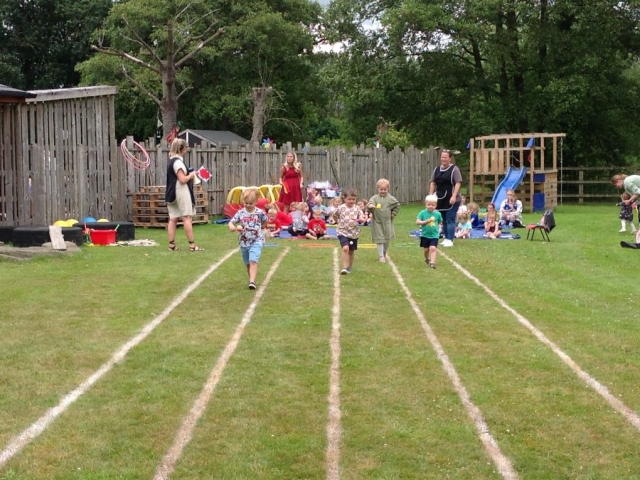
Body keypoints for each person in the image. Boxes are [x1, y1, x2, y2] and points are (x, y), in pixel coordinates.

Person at [165, 138, 202, 251]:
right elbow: (182, 179)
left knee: (173, 218)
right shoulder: (177, 162)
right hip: (180, 191)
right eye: (185, 148)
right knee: (187, 217)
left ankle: (171, 245)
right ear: (181, 149)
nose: (186, 150)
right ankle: (192, 245)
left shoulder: (171, 160)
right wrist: (192, 175)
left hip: (171, 192)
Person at [228, 188, 268, 290]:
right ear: (243, 201)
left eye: (251, 203)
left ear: (256, 202)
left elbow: (265, 221)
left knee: (253, 260)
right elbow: (231, 222)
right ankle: (251, 278)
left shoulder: (260, 212)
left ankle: (252, 282)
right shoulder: (241, 212)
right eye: (246, 203)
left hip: (257, 240)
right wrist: (232, 226)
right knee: (247, 263)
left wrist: (260, 229)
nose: (248, 205)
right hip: (244, 242)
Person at [429, 149, 462, 247]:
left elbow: (458, 183)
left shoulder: (454, 169)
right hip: (440, 198)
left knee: (450, 218)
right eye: (442, 157)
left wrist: (454, 196)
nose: (443, 159)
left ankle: (450, 239)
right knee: (443, 219)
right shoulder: (436, 169)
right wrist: (431, 195)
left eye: (445, 157)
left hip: (452, 198)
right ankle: (446, 237)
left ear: (450, 159)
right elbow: (433, 182)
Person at [367, 178, 400, 262]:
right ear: (378, 189)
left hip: (387, 221)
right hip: (377, 221)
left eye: (385, 189)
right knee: (379, 238)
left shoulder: (390, 198)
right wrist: (370, 206)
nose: (383, 191)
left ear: (388, 189)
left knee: (386, 238)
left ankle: (384, 252)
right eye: (381, 189)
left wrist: (393, 214)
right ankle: (381, 255)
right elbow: (369, 204)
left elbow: (397, 205)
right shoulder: (374, 198)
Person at [332, 188, 363, 275]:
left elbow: (362, 217)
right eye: (349, 199)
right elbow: (334, 215)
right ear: (344, 199)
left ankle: (350, 267)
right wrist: (337, 221)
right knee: (346, 248)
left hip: (353, 233)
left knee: (351, 251)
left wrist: (361, 219)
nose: (351, 201)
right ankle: (344, 267)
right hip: (342, 231)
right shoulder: (341, 208)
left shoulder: (357, 208)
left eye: (353, 199)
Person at [416, 194, 442, 269]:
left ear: (436, 205)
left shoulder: (438, 214)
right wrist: (425, 222)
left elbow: (440, 222)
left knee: (433, 248)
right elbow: (417, 222)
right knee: (426, 250)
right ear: (426, 204)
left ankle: (433, 263)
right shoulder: (422, 213)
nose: (431, 206)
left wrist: (439, 228)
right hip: (425, 235)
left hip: (434, 235)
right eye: (429, 204)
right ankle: (427, 259)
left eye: (433, 205)